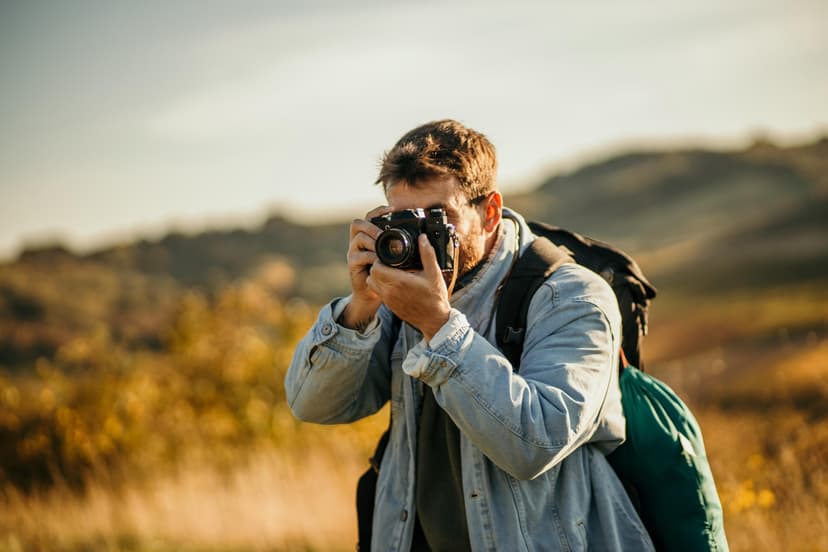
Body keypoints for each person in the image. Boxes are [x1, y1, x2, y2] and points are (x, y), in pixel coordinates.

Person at [285, 120, 654, 551]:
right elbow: (313, 404)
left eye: (438, 219)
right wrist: (360, 307)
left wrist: (440, 327)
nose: (419, 238)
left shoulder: (571, 296)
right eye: (403, 219)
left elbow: (535, 443)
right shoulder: (397, 293)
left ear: (490, 211)